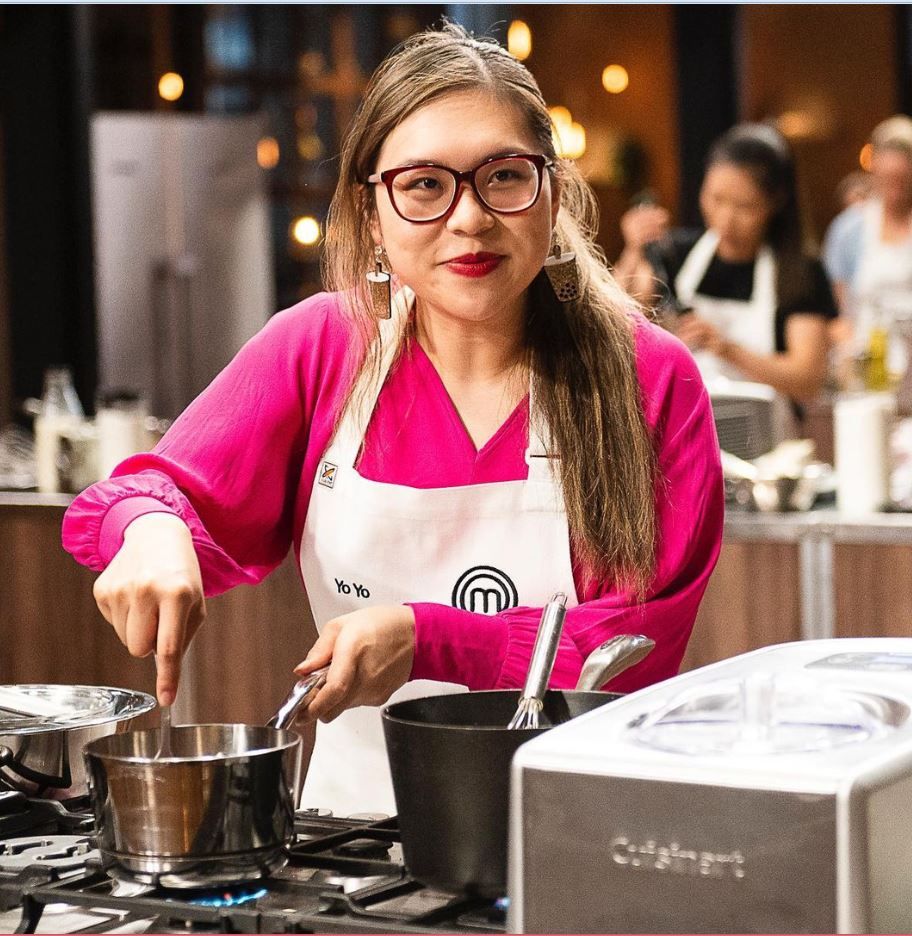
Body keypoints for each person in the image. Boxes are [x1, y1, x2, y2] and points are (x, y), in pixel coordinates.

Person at [61, 23, 724, 816]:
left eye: (504, 177)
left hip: (579, 828)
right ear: (372, 212)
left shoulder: (649, 377)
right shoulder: (321, 348)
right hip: (354, 839)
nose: (470, 218)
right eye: (424, 185)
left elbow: (635, 650)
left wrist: (427, 639)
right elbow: (145, 497)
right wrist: (151, 532)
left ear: (551, 193)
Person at [615, 123, 837, 425]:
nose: (725, 219)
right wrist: (633, 250)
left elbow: (808, 379)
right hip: (685, 433)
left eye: (744, 207)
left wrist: (726, 348)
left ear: (775, 203)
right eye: (716, 199)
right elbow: (620, 315)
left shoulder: (800, 272)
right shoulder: (676, 255)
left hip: (767, 441)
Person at [823, 116, 912, 359]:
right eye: (890, 178)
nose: (895, 188)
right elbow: (835, 313)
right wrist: (849, 349)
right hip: (865, 358)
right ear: (874, 169)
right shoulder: (848, 230)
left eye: (902, 180)